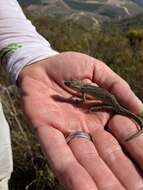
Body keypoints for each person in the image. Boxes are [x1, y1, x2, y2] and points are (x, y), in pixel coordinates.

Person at [0, 0, 143, 190]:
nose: (68, 86)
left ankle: (136, 125)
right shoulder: (81, 90)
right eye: (69, 85)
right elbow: (82, 99)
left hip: (112, 104)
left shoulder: (82, 88)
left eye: (70, 85)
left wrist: (31, 54)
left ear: (75, 86)